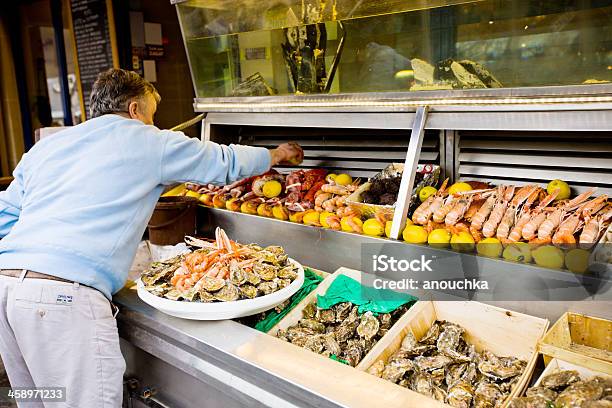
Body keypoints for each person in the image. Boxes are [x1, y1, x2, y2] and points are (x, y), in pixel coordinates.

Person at [0, 68, 303, 407]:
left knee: (37, 400)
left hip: (7, 292)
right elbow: (221, 160)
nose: (152, 125)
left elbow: (5, 215)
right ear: (134, 110)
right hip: (64, 300)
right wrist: (274, 155)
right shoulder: (145, 139)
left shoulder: (48, 146)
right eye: (151, 116)